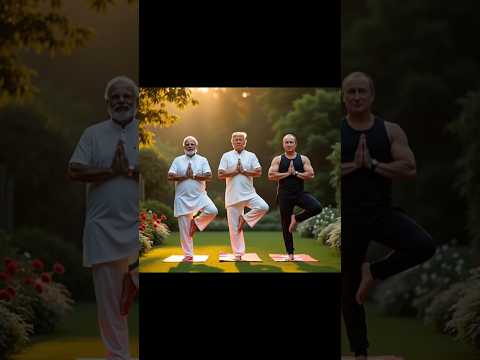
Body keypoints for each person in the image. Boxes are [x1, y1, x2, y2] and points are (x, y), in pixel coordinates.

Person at [341, 71, 436, 360]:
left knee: (423, 245)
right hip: (347, 218)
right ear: (343, 97)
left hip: (381, 212)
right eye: (351, 92)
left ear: (371, 96)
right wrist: (353, 167)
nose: (356, 97)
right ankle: (360, 353)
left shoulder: (389, 130)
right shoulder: (336, 131)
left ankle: (376, 271)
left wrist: (371, 164)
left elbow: (409, 168)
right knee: (349, 289)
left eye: (362, 91)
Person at [68, 76, 140, 360]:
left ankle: (132, 280)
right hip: (102, 228)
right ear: (108, 102)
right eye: (116, 96)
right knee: (109, 305)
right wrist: (111, 171)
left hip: (138, 226)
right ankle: (118, 356)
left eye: (127, 96)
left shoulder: (145, 133)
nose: (121, 100)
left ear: (135, 101)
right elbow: (73, 171)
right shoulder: (93, 134)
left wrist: (131, 170)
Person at [268, 134, 322, 260]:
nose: (289, 144)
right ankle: (290, 253)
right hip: (284, 195)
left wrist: (296, 173)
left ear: (295, 144)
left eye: (291, 142)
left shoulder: (303, 159)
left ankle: (296, 219)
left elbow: (311, 174)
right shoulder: (278, 159)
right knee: (286, 225)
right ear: (283, 144)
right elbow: (271, 175)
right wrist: (288, 173)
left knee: (316, 207)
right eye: (286, 142)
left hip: (299, 193)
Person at [218, 131, 269, 260]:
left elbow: (258, 172)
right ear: (232, 142)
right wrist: (235, 171)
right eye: (236, 140)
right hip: (232, 196)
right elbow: (220, 174)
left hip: (249, 194)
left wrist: (245, 171)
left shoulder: (251, 156)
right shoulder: (226, 156)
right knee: (234, 228)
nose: (238, 141)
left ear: (245, 142)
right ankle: (239, 254)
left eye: (241, 139)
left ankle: (245, 219)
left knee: (263, 207)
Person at [167, 136, 218, 261]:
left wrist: (194, 176)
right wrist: (185, 176)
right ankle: (188, 255)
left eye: (192, 144)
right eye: (187, 144)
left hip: (200, 196)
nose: (189, 146)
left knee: (212, 210)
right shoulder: (177, 160)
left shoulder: (202, 160)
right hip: (182, 198)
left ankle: (196, 223)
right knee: (185, 230)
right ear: (184, 147)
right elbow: (170, 176)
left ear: (196, 146)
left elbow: (209, 175)